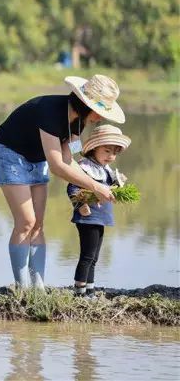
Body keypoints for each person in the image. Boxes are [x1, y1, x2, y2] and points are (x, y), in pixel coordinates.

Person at [0, 74, 125, 289]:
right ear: (84, 103)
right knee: (26, 221)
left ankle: (39, 287)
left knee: (38, 225)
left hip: (38, 159)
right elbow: (57, 166)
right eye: (98, 111)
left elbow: (68, 160)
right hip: (10, 156)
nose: (99, 118)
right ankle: (22, 287)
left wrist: (97, 184)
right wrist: (95, 186)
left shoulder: (78, 123)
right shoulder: (51, 111)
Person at [67, 125, 131, 297]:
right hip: (88, 218)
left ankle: (90, 290)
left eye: (114, 153)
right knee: (87, 256)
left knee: (94, 258)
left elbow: (109, 189)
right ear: (94, 148)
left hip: (101, 217)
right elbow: (72, 189)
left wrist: (119, 186)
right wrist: (81, 205)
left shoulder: (106, 171)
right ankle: (79, 292)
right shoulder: (84, 167)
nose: (111, 156)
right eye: (107, 151)